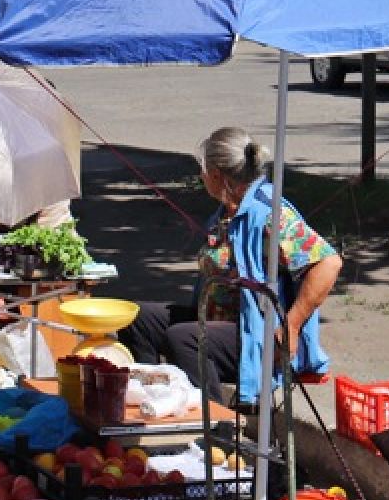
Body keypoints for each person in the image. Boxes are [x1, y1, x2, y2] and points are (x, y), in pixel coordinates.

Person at [121, 127, 341, 406]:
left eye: (203, 170)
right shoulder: (228, 211)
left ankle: (214, 432)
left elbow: (329, 263)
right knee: (138, 319)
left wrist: (291, 325)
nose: (201, 177)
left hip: (256, 332)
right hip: (219, 320)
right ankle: (152, 403)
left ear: (216, 175)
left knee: (185, 338)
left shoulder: (269, 215)